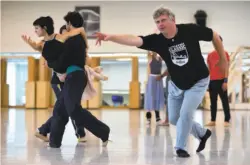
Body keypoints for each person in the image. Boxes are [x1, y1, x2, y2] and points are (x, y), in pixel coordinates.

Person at [95, 7, 228, 157]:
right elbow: (133, 39)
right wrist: (110, 37)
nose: (160, 24)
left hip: (198, 81)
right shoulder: (157, 40)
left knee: (185, 113)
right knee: (173, 118)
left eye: (163, 20)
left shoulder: (189, 30)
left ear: (173, 20)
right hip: (177, 84)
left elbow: (214, 36)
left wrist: (223, 59)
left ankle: (180, 147)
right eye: (157, 22)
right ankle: (202, 133)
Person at [46, 11, 110, 148]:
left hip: (75, 76)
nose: (66, 27)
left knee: (73, 109)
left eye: (67, 24)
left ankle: (103, 131)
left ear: (69, 24)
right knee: (60, 109)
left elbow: (63, 61)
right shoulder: (77, 37)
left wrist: (51, 62)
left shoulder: (74, 39)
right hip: (72, 76)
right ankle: (54, 142)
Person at [22, 22, 87, 143]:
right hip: (58, 82)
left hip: (69, 80)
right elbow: (41, 49)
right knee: (68, 107)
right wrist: (32, 44)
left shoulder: (70, 47)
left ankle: (44, 130)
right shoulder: (53, 45)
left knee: (68, 107)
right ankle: (79, 133)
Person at [205, 36, 231, 127]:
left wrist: (225, 81)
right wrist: (207, 82)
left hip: (221, 81)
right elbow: (208, 70)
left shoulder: (225, 54)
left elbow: (226, 68)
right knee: (213, 102)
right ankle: (213, 120)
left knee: (224, 101)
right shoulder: (210, 55)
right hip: (212, 81)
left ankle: (227, 120)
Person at [144, 52, 165, 125]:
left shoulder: (160, 58)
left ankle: (157, 118)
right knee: (150, 98)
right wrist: (147, 81)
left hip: (159, 79)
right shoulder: (150, 57)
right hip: (151, 79)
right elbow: (148, 70)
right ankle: (148, 118)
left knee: (157, 98)